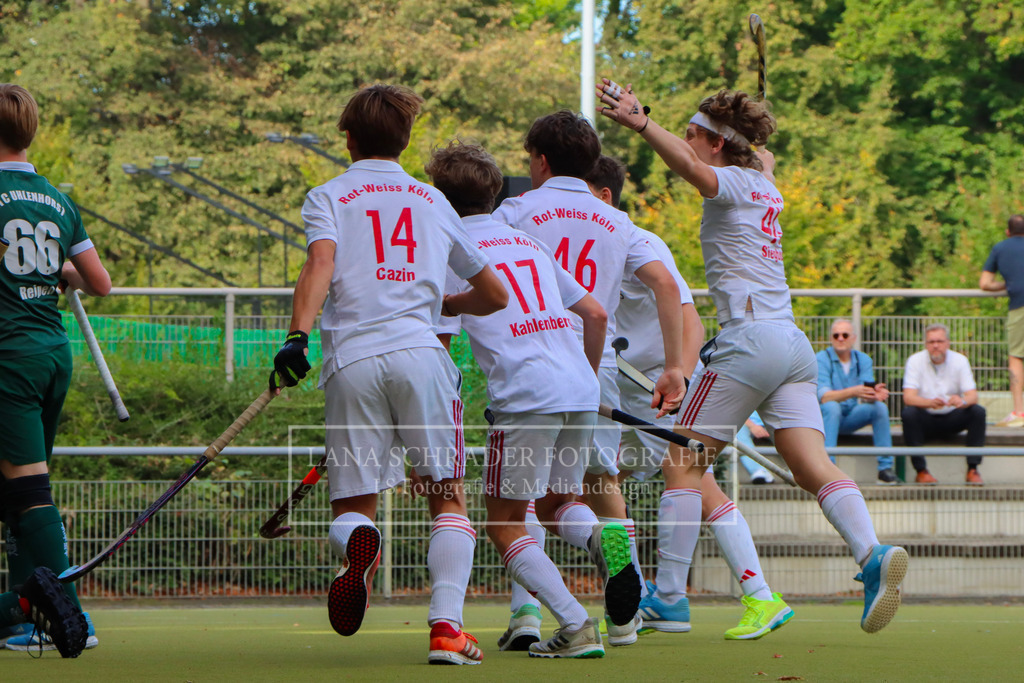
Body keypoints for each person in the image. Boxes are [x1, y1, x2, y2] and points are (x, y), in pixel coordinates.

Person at [597, 78, 908, 634]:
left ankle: (667, 598)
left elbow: (694, 172)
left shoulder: (736, 182)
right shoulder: (765, 185)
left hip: (750, 341)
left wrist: (640, 124)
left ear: (717, 144)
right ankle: (871, 554)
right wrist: (759, 162)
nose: (687, 141)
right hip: (791, 344)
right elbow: (753, 168)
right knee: (815, 468)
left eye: (693, 133)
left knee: (681, 463)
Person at [271, 84, 508, 665]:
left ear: (348, 138)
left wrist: (296, 338)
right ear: (405, 142)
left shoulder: (327, 194)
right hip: (421, 358)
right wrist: (444, 306)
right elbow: (495, 294)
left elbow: (319, 263)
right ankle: (447, 631)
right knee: (446, 496)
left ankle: (358, 543)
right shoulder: (433, 201)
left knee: (353, 501)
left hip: (351, 360)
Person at [492, 111, 688, 644]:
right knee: (598, 488)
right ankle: (624, 623)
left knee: (520, 500)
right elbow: (666, 288)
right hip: (592, 367)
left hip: (529, 361)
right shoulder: (617, 221)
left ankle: (527, 617)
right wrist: (676, 367)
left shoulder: (515, 210)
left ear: (541, 160)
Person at [587, 155, 793, 640]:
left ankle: (667, 600)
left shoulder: (636, 240)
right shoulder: (594, 240)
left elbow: (689, 316)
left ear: (603, 196)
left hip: (656, 389)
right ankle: (667, 600)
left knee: (613, 485)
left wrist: (681, 375)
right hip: (632, 386)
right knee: (617, 483)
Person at [429, 141, 611, 658]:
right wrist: (584, 382)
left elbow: (440, 349)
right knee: (557, 505)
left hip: (526, 394)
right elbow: (594, 314)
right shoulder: (527, 243)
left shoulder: (449, 248)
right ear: (494, 192)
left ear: (440, 198)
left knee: (504, 522)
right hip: (579, 387)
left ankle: (575, 623)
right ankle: (598, 536)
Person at [0, 83, 111, 657]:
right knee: (16, 493)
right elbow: (100, 282)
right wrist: (60, 272)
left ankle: (68, 612)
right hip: (50, 353)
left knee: (29, 491)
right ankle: (20, 615)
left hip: (9, 359)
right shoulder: (57, 200)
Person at [900, 323, 986, 485]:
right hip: (925, 417)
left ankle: (973, 469)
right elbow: (908, 398)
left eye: (939, 341)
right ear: (925, 344)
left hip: (953, 416)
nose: (935, 346)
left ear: (947, 343)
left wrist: (962, 401)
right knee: (908, 413)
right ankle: (921, 471)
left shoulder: (960, 360)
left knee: (978, 412)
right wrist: (928, 403)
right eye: (931, 342)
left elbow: (973, 396)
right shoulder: (915, 360)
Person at [816, 319, 896, 484]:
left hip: (850, 416)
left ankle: (885, 468)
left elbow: (865, 390)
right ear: (830, 338)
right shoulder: (821, 359)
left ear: (853, 338)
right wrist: (854, 391)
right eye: (836, 335)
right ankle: (828, 468)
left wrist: (874, 393)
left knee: (879, 408)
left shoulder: (863, 359)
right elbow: (824, 397)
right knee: (832, 407)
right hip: (825, 421)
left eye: (845, 335)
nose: (840, 338)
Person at [980, 214, 1024, 428]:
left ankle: (1019, 413)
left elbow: (985, 283)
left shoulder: (1000, 248)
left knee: (1016, 356)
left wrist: (1007, 284)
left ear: (1008, 232)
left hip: (1019, 306)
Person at [734, 412, 775, 484]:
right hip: (746, 424)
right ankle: (758, 471)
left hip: (776, 423)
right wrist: (752, 426)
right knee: (737, 428)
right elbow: (734, 412)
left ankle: (795, 472)